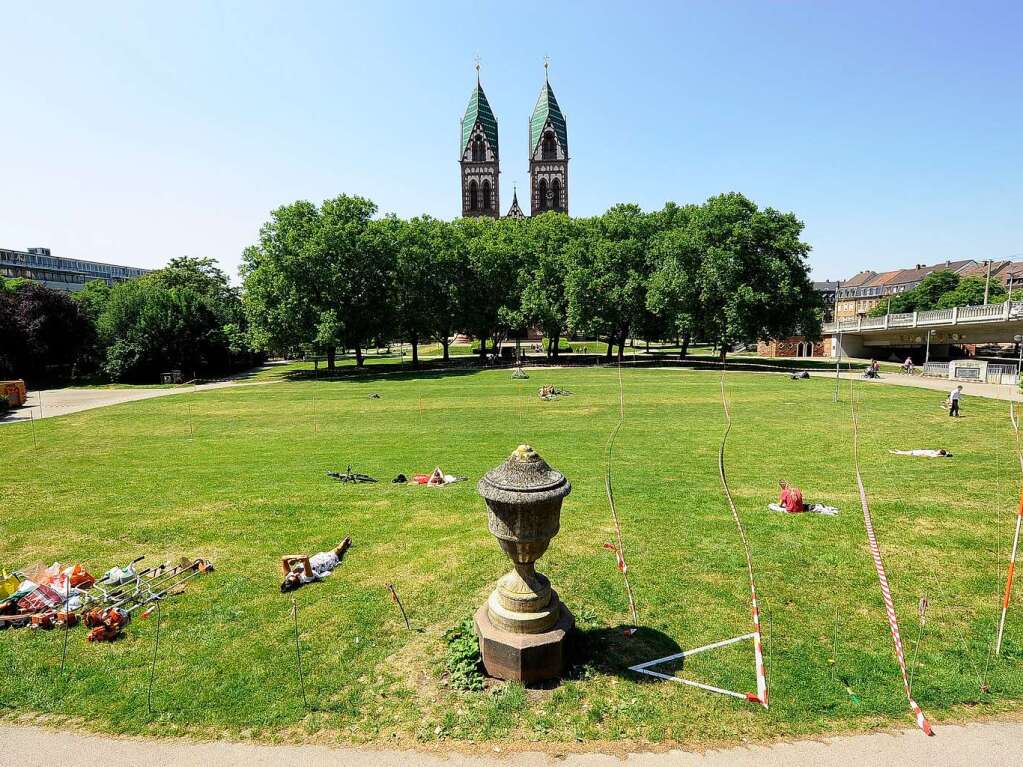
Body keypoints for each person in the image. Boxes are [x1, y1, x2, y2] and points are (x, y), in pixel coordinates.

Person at [280, 538, 351, 592]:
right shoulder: (306, 577)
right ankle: (345, 546)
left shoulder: (288, 575)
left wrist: (294, 558)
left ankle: (345, 547)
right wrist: (295, 560)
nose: (295, 574)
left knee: (337, 551)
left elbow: (283, 558)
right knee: (338, 550)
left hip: (316, 558)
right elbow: (305, 558)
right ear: (298, 582)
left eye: (292, 575)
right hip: (325, 562)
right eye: (296, 577)